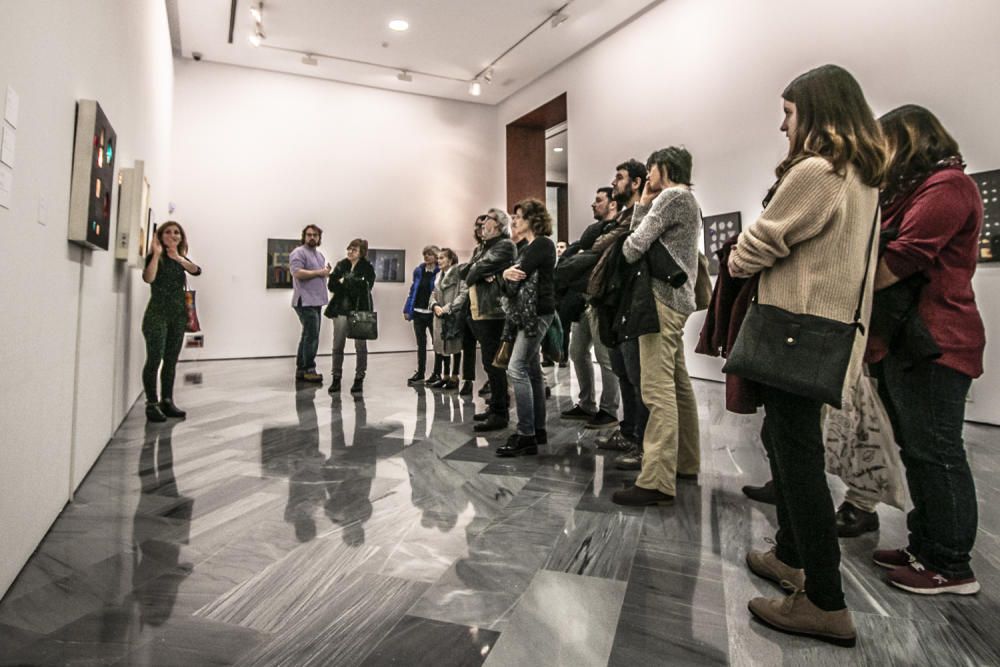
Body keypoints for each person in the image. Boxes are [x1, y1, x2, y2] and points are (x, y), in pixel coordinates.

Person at [727, 64, 886, 646]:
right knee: (792, 448)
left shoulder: (819, 170)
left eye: (790, 113)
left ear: (816, 113)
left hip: (795, 330)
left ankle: (824, 600)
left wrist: (737, 256)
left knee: (797, 464)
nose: (782, 124)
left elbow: (755, 246)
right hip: (823, 333)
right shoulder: (864, 177)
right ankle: (791, 555)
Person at [868, 105, 985, 595]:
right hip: (911, 340)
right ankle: (927, 545)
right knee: (919, 449)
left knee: (936, 452)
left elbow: (902, 257)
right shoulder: (920, 190)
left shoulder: (949, 187)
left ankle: (952, 565)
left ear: (908, 140)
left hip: (936, 340)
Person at [611, 147, 701, 507]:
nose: (647, 175)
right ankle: (685, 461)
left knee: (656, 387)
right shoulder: (687, 200)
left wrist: (645, 203)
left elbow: (631, 247)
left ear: (665, 168)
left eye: (651, 169)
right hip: (676, 302)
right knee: (678, 384)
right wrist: (644, 203)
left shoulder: (672, 197)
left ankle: (656, 479)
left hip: (661, 302)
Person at [599, 159, 650, 470]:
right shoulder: (620, 217)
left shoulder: (638, 217)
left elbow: (621, 251)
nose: (614, 183)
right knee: (623, 373)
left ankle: (643, 442)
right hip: (614, 303)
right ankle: (629, 430)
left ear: (635, 183)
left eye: (619, 178)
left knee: (637, 378)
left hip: (631, 303)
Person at [558, 186, 622, 428]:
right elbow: (578, 254)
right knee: (577, 351)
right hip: (585, 300)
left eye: (599, 200)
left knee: (605, 357)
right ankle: (587, 403)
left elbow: (588, 257)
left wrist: (580, 255)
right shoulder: (596, 232)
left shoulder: (617, 229)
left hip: (603, 301)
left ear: (612, 204)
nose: (593, 205)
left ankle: (609, 410)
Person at [497, 199, 557, 456]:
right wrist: (504, 274)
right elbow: (510, 279)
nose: (514, 221)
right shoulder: (529, 247)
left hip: (536, 314)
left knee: (516, 368)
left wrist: (503, 275)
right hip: (530, 314)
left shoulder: (541, 244)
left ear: (533, 220)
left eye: (519, 217)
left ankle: (526, 435)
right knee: (531, 371)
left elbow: (515, 280)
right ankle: (537, 430)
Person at [141, 221, 202, 422]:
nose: (173, 235)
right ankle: (151, 404)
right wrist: (157, 254)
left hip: (178, 316)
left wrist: (178, 257)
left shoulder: (180, 259)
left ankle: (167, 401)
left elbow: (196, 270)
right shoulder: (154, 257)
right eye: (168, 232)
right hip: (157, 315)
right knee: (154, 360)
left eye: (176, 232)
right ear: (160, 236)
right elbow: (148, 278)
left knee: (170, 361)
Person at [466, 208, 516, 432]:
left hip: (494, 311)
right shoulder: (481, 247)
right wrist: (476, 270)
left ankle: (500, 413)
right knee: (488, 362)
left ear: (498, 224)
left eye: (488, 219)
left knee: (494, 364)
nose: (483, 223)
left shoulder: (505, 245)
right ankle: (496, 405)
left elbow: (474, 271)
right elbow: (466, 273)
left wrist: (478, 270)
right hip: (479, 310)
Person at [326, 238, 375, 394]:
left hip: (359, 310)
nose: (349, 252)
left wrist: (345, 280)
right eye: (348, 249)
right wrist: (348, 281)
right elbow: (331, 284)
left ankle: (359, 378)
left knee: (360, 346)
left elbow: (366, 287)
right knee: (337, 345)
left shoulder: (367, 268)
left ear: (361, 252)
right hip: (340, 309)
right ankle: (336, 378)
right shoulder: (342, 264)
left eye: (353, 250)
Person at [289, 225, 331, 384]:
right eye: (309, 235)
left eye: (315, 235)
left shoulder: (319, 256)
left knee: (308, 335)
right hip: (304, 301)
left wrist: (325, 272)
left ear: (319, 238)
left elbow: (319, 274)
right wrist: (319, 273)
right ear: (304, 236)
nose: (312, 237)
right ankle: (309, 369)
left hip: (316, 301)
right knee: (311, 336)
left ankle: (302, 369)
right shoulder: (298, 253)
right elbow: (297, 272)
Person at [429, 248, 469, 390]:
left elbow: (464, 294)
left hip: (453, 316)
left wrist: (447, 309)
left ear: (450, 260)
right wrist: (434, 306)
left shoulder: (459, 275)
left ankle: (455, 376)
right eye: (438, 258)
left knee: (455, 346)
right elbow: (433, 294)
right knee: (442, 347)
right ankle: (445, 376)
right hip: (439, 316)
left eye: (442, 258)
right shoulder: (438, 275)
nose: (439, 261)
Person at [404, 245, 443, 385]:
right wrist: (407, 309)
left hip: (433, 313)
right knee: (421, 344)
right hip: (418, 312)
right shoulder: (419, 270)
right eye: (425, 254)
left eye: (430, 254)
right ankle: (420, 373)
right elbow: (413, 290)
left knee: (437, 344)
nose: (426, 257)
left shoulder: (440, 272)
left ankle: (437, 373)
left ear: (436, 256)